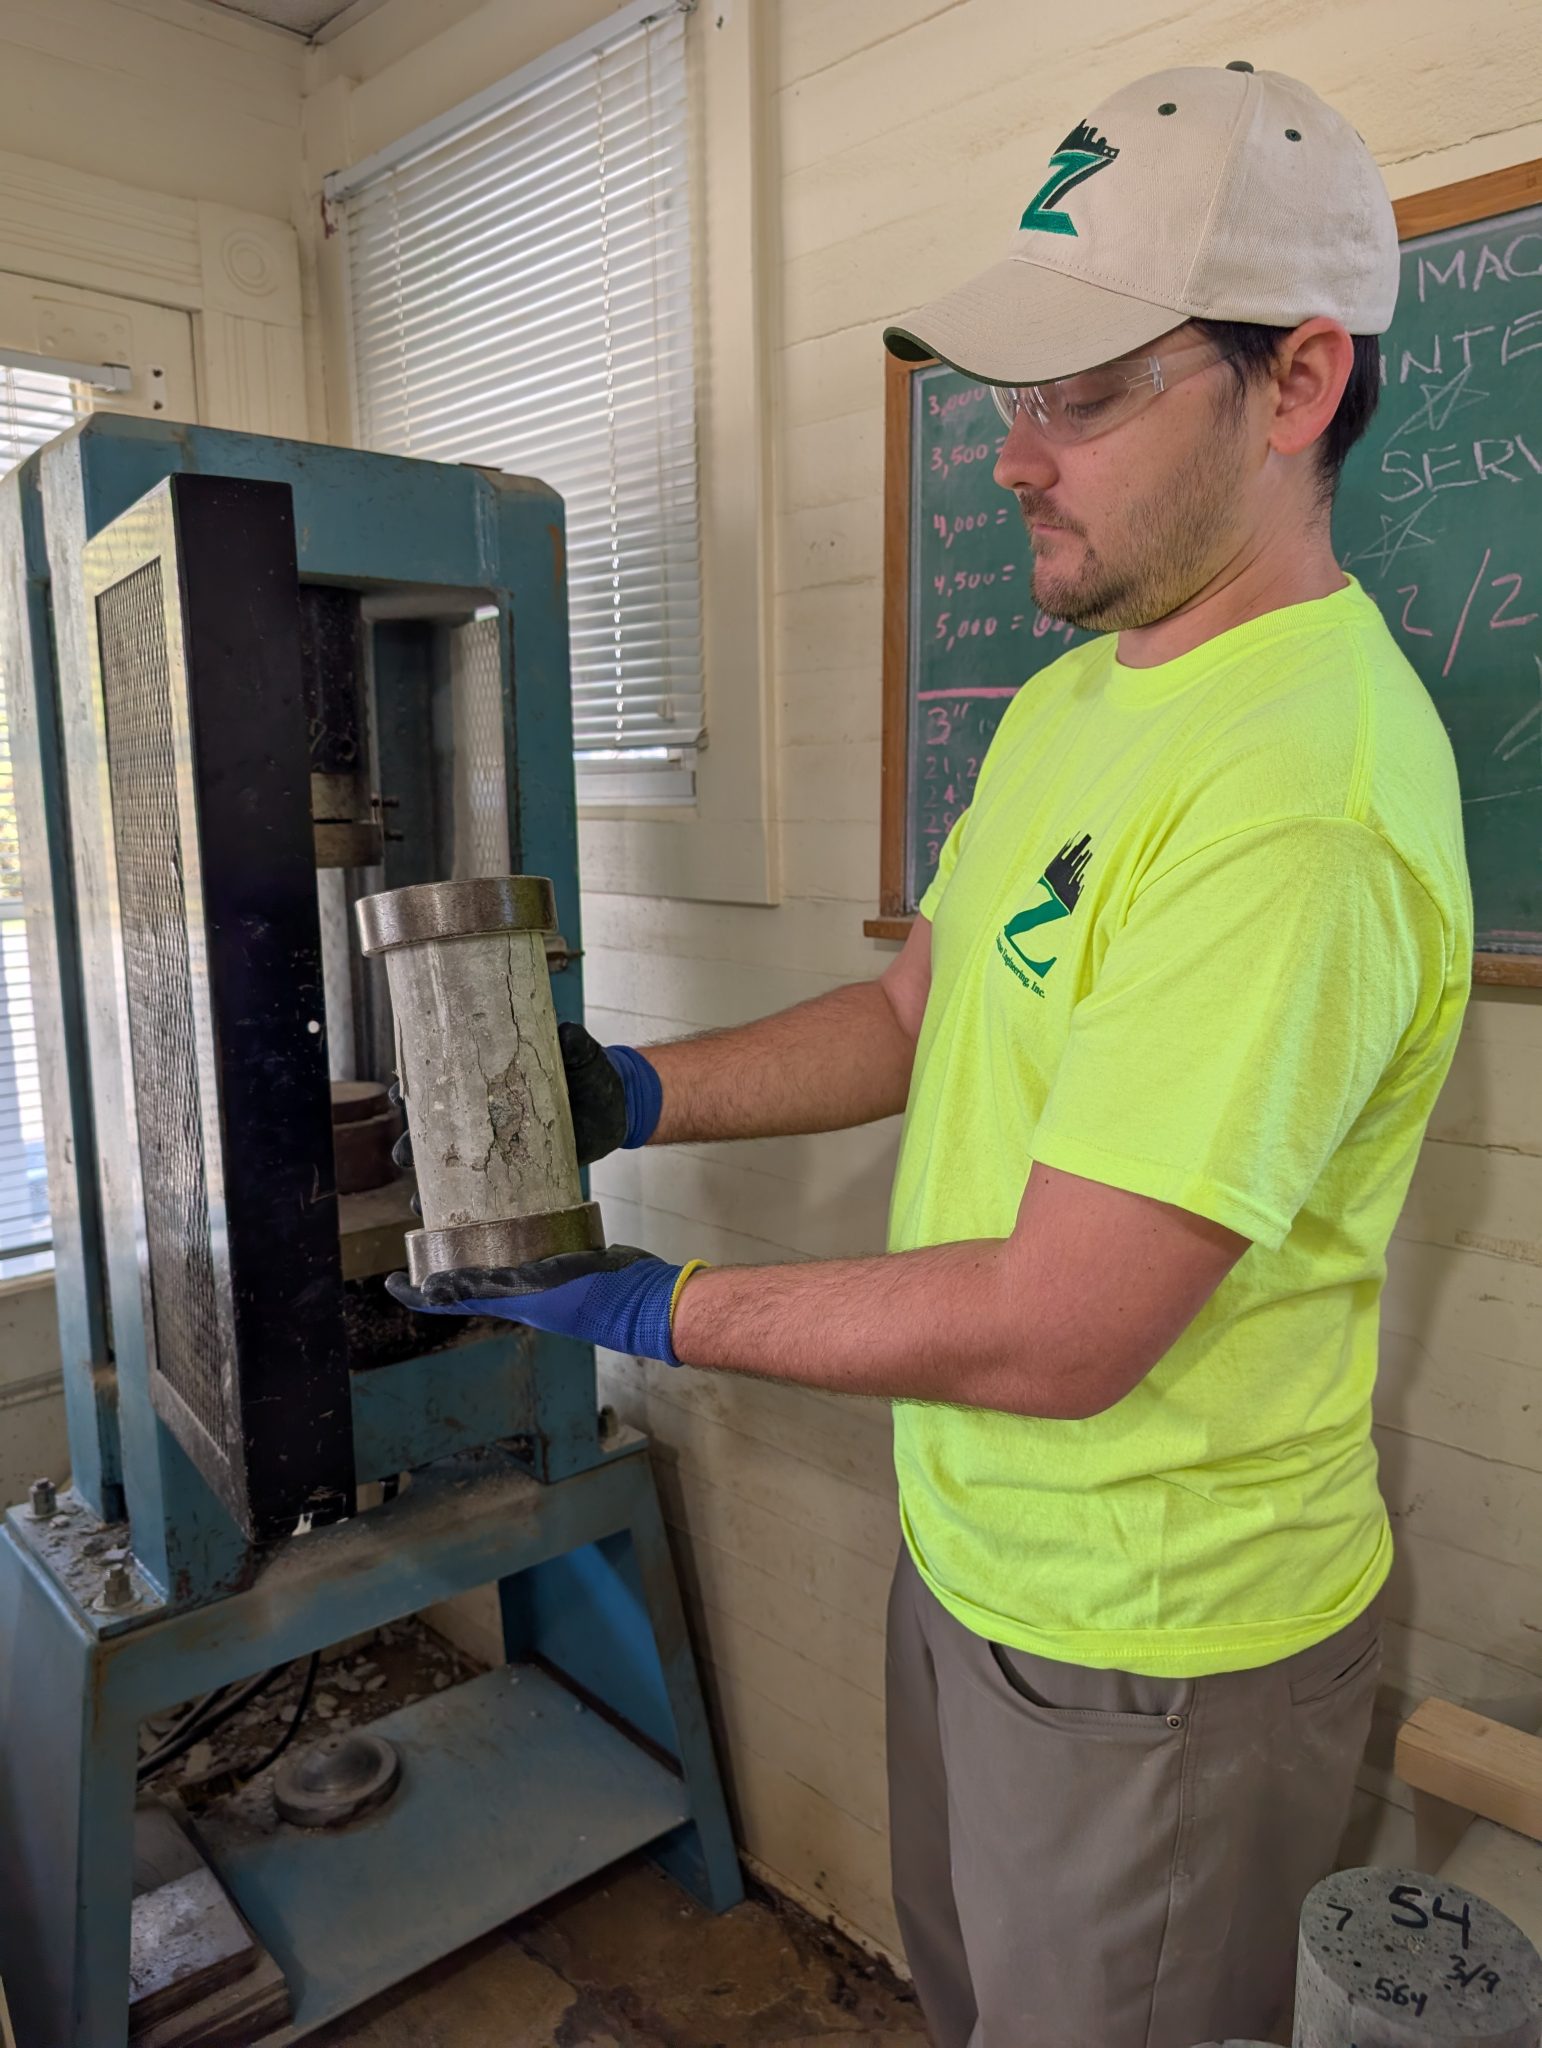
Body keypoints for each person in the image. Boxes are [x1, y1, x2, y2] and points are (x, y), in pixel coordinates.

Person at [390, 61, 1473, 2048]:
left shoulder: (1301, 805)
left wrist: (652, 1301)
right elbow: (921, 1010)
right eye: (1011, 392)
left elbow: (1070, 1326)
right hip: (976, 1550)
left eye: (1083, 395)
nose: (1010, 459)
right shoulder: (1081, 702)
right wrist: (628, 1089)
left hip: (1163, 1642)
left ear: (1301, 382)